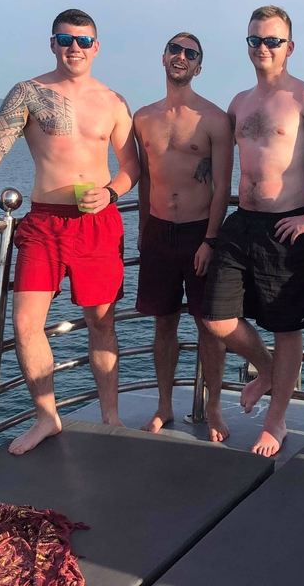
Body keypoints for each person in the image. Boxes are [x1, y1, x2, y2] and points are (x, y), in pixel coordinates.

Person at [0, 9, 140, 455]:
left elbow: (131, 166)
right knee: (25, 324)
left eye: (83, 40)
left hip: (97, 224)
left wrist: (112, 193)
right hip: (43, 225)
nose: (73, 47)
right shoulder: (28, 93)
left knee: (102, 323)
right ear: (53, 43)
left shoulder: (114, 102)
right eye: (65, 39)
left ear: (97, 46)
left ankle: (111, 416)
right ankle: (47, 417)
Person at [201, 5, 304, 457]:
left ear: (289, 47)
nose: (263, 48)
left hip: (289, 226)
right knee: (215, 317)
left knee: (287, 327)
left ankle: (276, 420)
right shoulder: (239, 102)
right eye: (255, 40)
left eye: (272, 41)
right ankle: (265, 370)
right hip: (242, 222)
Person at [133, 32, 234, 442]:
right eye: (175, 50)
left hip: (199, 232)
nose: (181, 56)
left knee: (210, 326)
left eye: (190, 53)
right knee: (164, 324)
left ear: (198, 67)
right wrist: (141, 230)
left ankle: (213, 408)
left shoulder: (213, 118)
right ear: (163, 58)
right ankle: (163, 404)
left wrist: (210, 239)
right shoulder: (143, 117)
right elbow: (143, 179)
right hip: (158, 231)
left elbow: (223, 186)